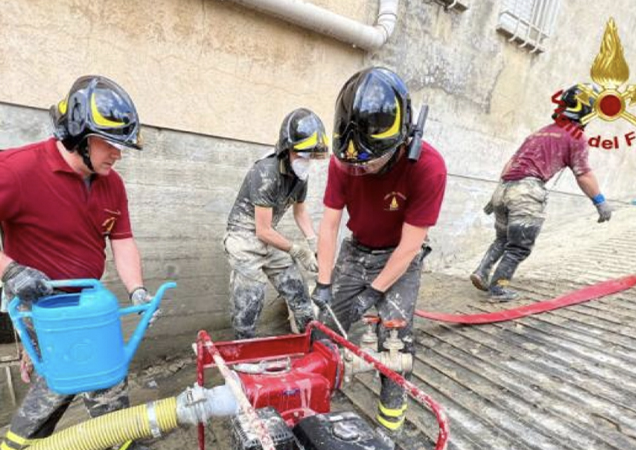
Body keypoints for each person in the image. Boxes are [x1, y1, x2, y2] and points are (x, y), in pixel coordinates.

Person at [0, 75, 150, 450]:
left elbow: (122, 240)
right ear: (78, 136)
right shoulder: (17, 170)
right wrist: (9, 271)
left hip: (88, 304)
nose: (118, 154)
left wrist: (137, 289)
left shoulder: (112, 184)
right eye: (110, 144)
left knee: (82, 377)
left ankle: (97, 441)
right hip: (41, 305)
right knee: (78, 378)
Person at [312, 67, 447, 434]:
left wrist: (374, 293)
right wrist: (324, 282)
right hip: (356, 251)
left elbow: (410, 245)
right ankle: (313, 403)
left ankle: (391, 425)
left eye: (371, 160)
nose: (361, 167)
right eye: (354, 161)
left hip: (397, 257)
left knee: (396, 340)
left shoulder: (428, 168)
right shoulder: (346, 160)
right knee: (322, 326)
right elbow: (329, 225)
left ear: (401, 141)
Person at [470, 84, 613, 302]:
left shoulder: (539, 132)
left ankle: (482, 271)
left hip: (504, 188)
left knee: (502, 238)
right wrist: (600, 202)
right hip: (527, 193)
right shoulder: (576, 137)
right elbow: (583, 174)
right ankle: (498, 288)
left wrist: (496, 195)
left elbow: (511, 164)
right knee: (519, 246)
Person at [224, 108, 328, 339]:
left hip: (268, 234)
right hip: (243, 236)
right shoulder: (266, 172)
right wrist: (297, 250)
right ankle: (245, 348)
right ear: (286, 149)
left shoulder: (300, 175)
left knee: (298, 290)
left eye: (311, 155)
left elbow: (300, 212)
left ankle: (310, 341)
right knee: (251, 299)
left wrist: (313, 244)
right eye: (303, 154)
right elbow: (262, 230)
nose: (307, 161)